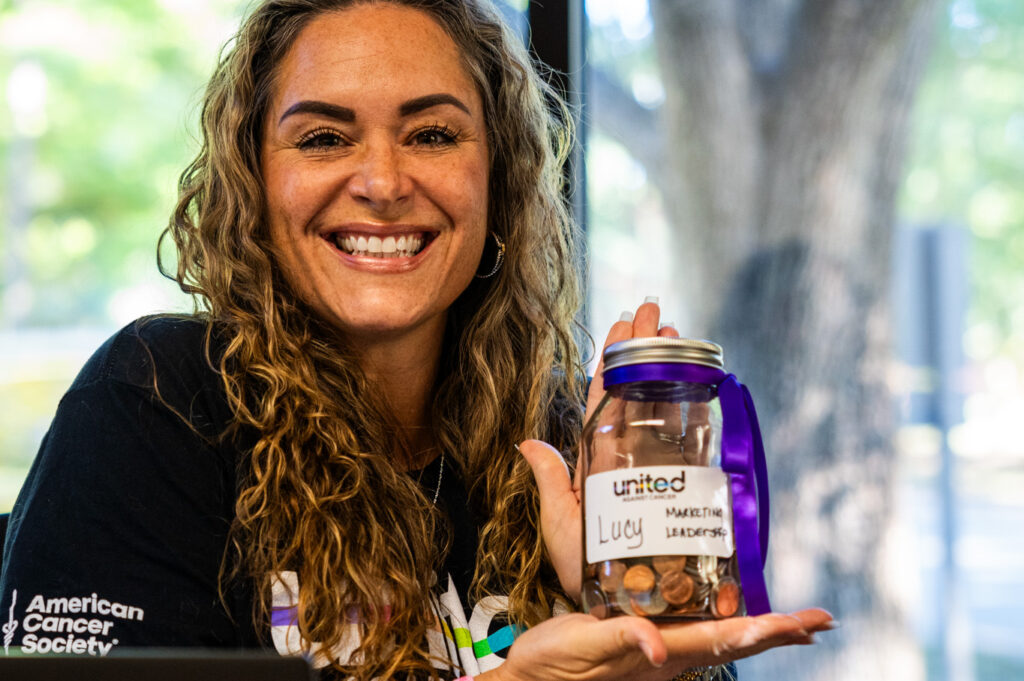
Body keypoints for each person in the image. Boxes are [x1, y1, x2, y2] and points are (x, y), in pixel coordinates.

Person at [0, 0, 833, 679]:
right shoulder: (156, 400)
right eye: (324, 137)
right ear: (255, 181)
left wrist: (636, 601)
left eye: (432, 134)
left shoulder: (566, 440)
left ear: (499, 177)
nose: (384, 182)